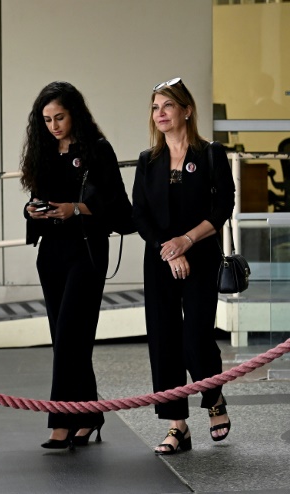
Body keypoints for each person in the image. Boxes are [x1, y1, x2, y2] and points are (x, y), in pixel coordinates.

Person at [21, 81, 130, 449]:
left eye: (60, 117)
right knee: (68, 340)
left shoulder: (97, 149)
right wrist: (31, 211)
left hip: (86, 251)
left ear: (75, 114)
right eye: (47, 119)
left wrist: (77, 209)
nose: (53, 126)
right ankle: (89, 415)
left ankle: (61, 422)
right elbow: (37, 197)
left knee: (70, 336)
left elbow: (117, 207)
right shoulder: (44, 151)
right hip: (51, 252)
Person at [132, 77, 235, 455]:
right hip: (161, 258)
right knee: (163, 339)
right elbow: (140, 214)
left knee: (195, 337)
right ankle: (177, 426)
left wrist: (186, 242)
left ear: (186, 110)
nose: (159, 113)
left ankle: (214, 399)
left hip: (201, 256)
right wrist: (169, 250)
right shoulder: (148, 160)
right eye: (155, 107)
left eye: (168, 106)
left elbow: (223, 206)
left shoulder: (210, 154)